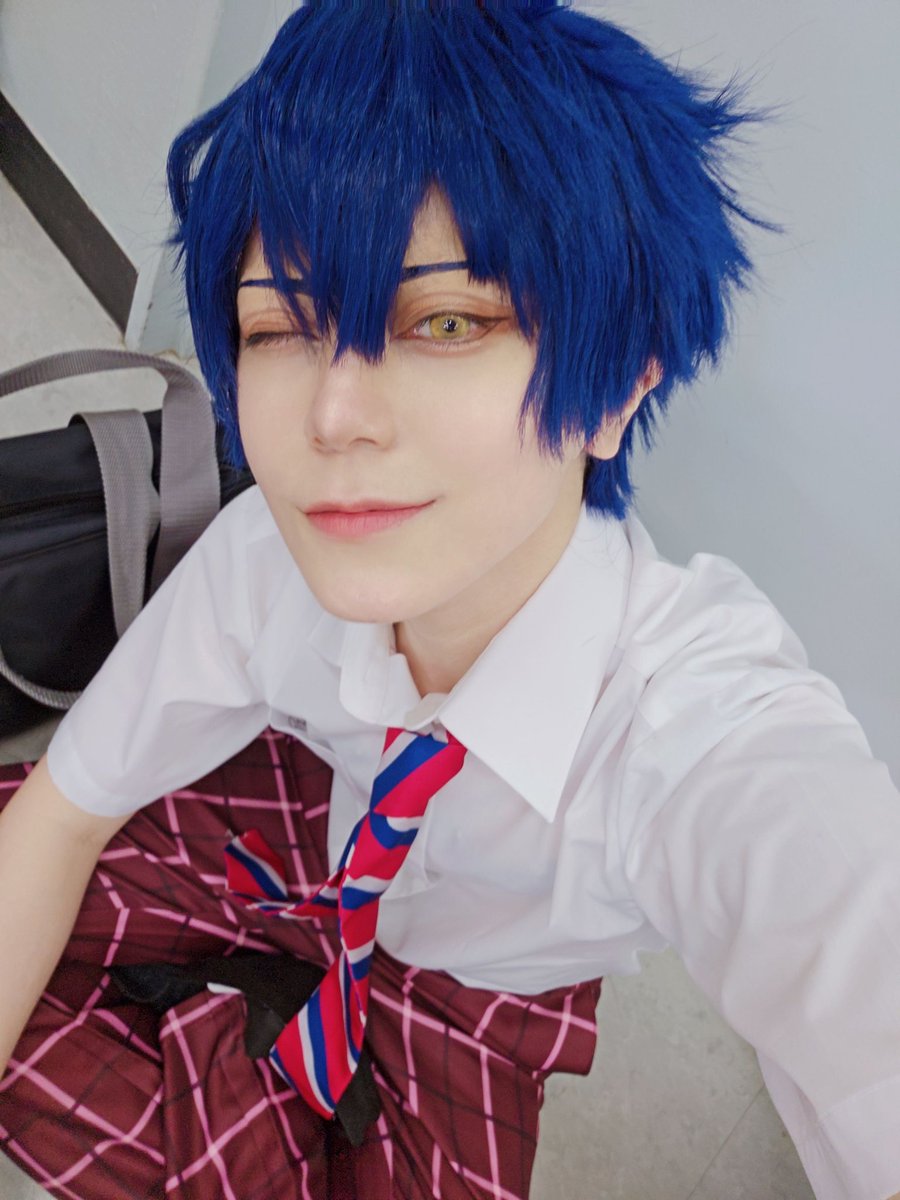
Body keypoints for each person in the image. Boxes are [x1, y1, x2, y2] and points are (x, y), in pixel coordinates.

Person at [1, 3, 898, 1198]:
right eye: (280, 326)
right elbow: (64, 811)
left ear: (616, 390)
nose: (332, 417)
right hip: (304, 826)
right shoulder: (270, 559)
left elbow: (837, 912)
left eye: (447, 320)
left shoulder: (694, 727)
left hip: (479, 994)